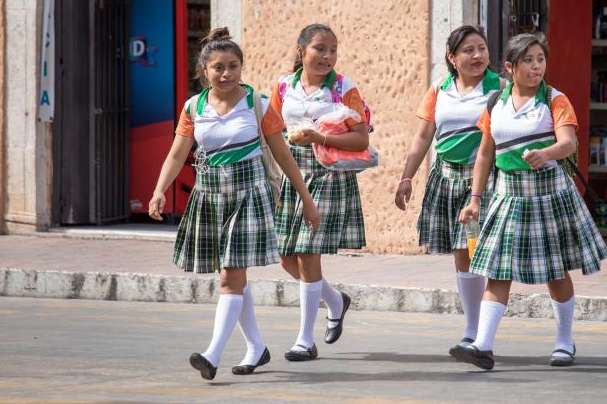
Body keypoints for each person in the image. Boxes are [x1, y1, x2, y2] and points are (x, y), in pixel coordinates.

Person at [148, 28, 320, 380]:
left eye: (233, 66)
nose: (226, 74)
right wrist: (159, 190)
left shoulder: (257, 103)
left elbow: (283, 155)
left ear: (241, 67)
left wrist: (306, 199)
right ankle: (256, 347)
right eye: (218, 68)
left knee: (230, 276)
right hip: (210, 196)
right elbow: (178, 152)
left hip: (249, 195)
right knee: (233, 277)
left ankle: (211, 355)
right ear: (204, 71)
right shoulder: (193, 107)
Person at [454, 32, 607, 370]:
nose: (536, 66)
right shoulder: (495, 104)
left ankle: (565, 342)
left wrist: (546, 153)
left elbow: (567, 143)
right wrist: (476, 199)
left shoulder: (555, 100)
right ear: (509, 67)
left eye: (540, 59)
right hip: (507, 194)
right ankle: (482, 346)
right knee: (497, 270)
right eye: (528, 60)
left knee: (556, 271)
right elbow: (484, 155)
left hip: (548, 194)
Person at [394, 25, 502, 354]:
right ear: (452, 58)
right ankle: (472, 328)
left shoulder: (501, 88)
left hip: (483, 179)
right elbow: (423, 137)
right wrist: (407, 176)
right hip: (447, 177)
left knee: (476, 251)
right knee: (461, 253)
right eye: (468, 50)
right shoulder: (439, 90)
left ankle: (482, 329)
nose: (478, 56)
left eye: (481, 48)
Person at [268, 23, 369, 361]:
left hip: (326, 174)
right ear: (301, 51)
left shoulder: (343, 88)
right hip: (291, 173)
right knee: (286, 257)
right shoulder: (284, 86)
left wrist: (320, 138)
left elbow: (361, 139)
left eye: (332, 50)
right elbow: (271, 130)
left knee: (308, 254)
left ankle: (304, 340)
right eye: (319, 48)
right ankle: (335, 300)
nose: (327, 56)